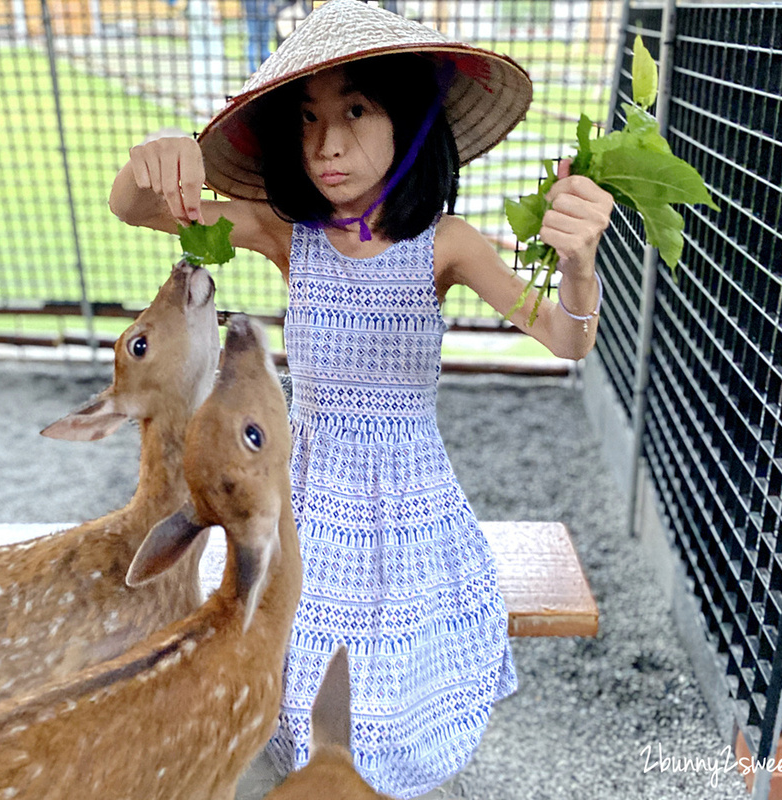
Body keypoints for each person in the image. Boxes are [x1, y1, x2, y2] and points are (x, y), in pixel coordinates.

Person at [110, 1, 613, 797]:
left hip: (410, 495)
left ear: (408, 122)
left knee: (399, 676)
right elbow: (137, 209)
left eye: (355, 110)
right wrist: (153, 164)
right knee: (294, 657)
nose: (327, 142)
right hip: (308, 486)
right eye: (307, 117)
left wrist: (579, 265)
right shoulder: (287, 231)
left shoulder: (447, 243)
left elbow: (565, 337)